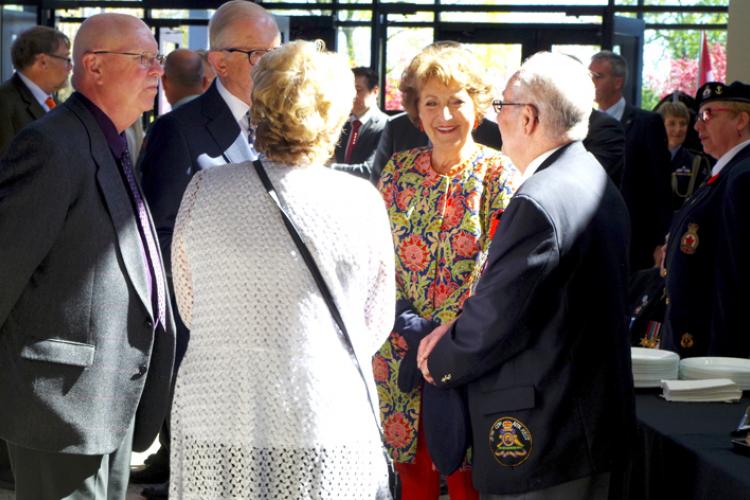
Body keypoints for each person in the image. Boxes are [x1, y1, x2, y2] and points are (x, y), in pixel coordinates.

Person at [169, 39, 395, 498]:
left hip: (218, 410)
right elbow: (374, 323)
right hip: (322, 411)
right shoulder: (360, 201)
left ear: (259, 107)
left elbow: (189, 305)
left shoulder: (205, 190)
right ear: (335, 116)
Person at [417, 52, 634, 499]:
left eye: (500, 107)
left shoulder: (539, 198)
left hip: (547, 435)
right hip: (581, 426)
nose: (495, 120)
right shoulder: (587, 175)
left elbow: (499, 315)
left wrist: (439, 358)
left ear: (529, 118)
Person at [0, 13, 175, 500]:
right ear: (94, 67)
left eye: (157, 60)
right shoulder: (51, 145)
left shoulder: (111, 136)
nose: (156, 72)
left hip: (105, 402)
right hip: (60, 411)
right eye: (143, 60)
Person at [134, 0, 281, 487]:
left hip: (271, 329)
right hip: (209, 334)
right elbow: (159, 232)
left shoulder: (285, 122)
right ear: (221, 61)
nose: (274, 65)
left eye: (276, 52)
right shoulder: (179, 130)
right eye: (261, 54)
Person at [373, 41, 518, 500]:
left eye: (457, 100)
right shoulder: (397, 171)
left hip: (467, 354)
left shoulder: (499, 175)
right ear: (415, 109)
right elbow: (376, 253)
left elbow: (500, 266)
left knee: (465, 478)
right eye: (431, 102)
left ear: (476, 104)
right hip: (399, 348)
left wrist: (448, 333)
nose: (445, 115)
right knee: (409, 475)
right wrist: (410, 325)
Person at [661, 81, 750, 359]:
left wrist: (722, 358)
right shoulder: (725, 173)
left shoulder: (743, 177)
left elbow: (736, 275)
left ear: (742, 120)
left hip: (712, 354)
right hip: (692, 342)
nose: (697, 127)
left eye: (707, 115)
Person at [590, 50, 672, 272]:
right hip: (593, 236)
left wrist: (660, 241)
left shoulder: (647, 123)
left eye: (597, 76)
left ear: (618, 82)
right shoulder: (583, 124)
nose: (591, 81)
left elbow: (660, 185)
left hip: (635, 241)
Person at [0, 25, 71, 157]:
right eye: (66, 59)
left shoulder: (56, 104)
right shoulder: (4, 104)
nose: (70, 67)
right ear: (42, 62)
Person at [331, 66, 389, 180]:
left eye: (358, 90)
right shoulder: (341, 123)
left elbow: (370, 170)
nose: (353, 95)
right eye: (350, 90)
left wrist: (328, 169)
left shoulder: (385, 126)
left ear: (375, 91)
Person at [656, 100, 710, 211]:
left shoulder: (697, 163)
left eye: (683, 124)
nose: (678, 129)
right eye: (672, 123)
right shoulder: (645, 159)